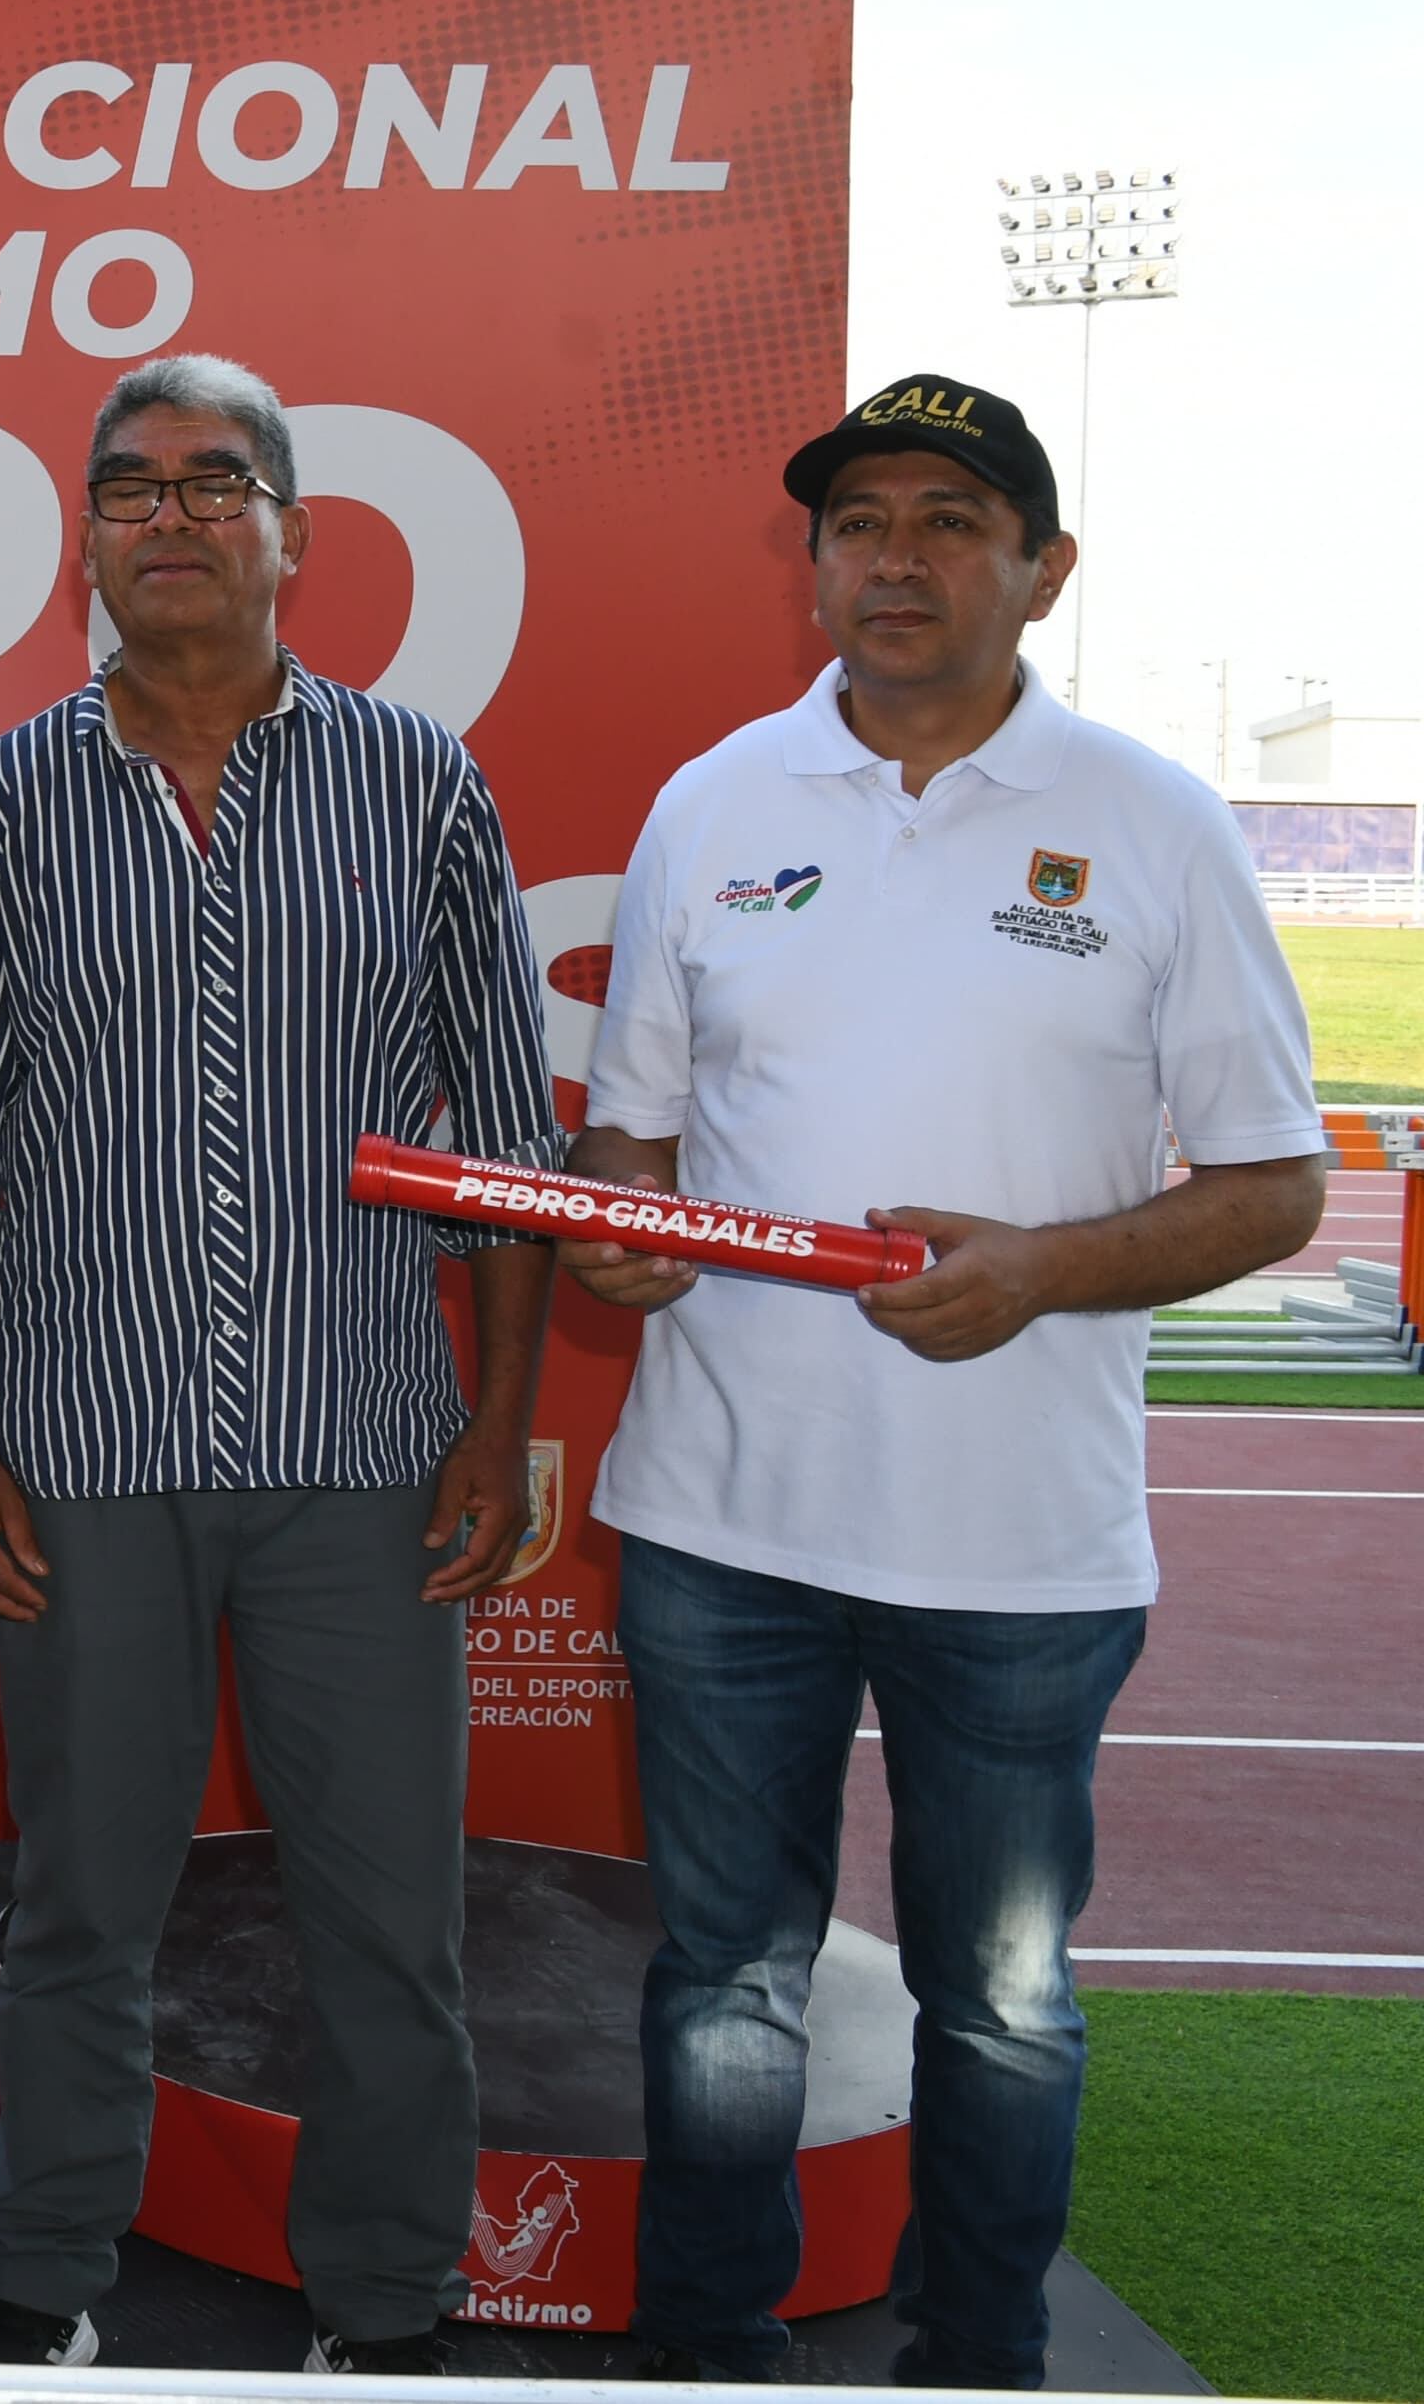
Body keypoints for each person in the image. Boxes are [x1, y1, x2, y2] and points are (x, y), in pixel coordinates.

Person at [561, 375, 1324, 2389]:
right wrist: (620, 1226)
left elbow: (1276, 1184)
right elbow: (633, 1132)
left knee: (999, 2009)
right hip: (723, 1515)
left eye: (950, 521)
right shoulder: (713, 801)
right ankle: (707, 2354)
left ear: (1041, 571)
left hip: (1016, 1548)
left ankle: (977, 2362)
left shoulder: (1152, 821)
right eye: (860, 522)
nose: (895, 557)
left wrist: (1042, 1270)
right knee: (723, 1981)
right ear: (815, 564)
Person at [0, 354, 563, 2375]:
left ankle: (387, 2300)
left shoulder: (418, 780)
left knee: (385, 1918)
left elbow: (501, 1137)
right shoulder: (9, 799)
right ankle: (40, 2275)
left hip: (361, 1443)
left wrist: (499, 1420)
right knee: (78, 1906)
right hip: (77, 1444)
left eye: (214, 482)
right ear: (87, 540)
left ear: (293, 531)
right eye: (130, 488)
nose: (170, 516)